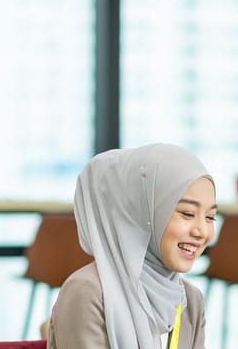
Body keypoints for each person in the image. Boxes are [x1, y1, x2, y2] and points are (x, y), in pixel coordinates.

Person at [47, 143, 216, 349]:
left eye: (210, 217)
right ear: (141, 213)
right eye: (187, 214)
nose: (202, 232)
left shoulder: (189, 300)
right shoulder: (87, 291)